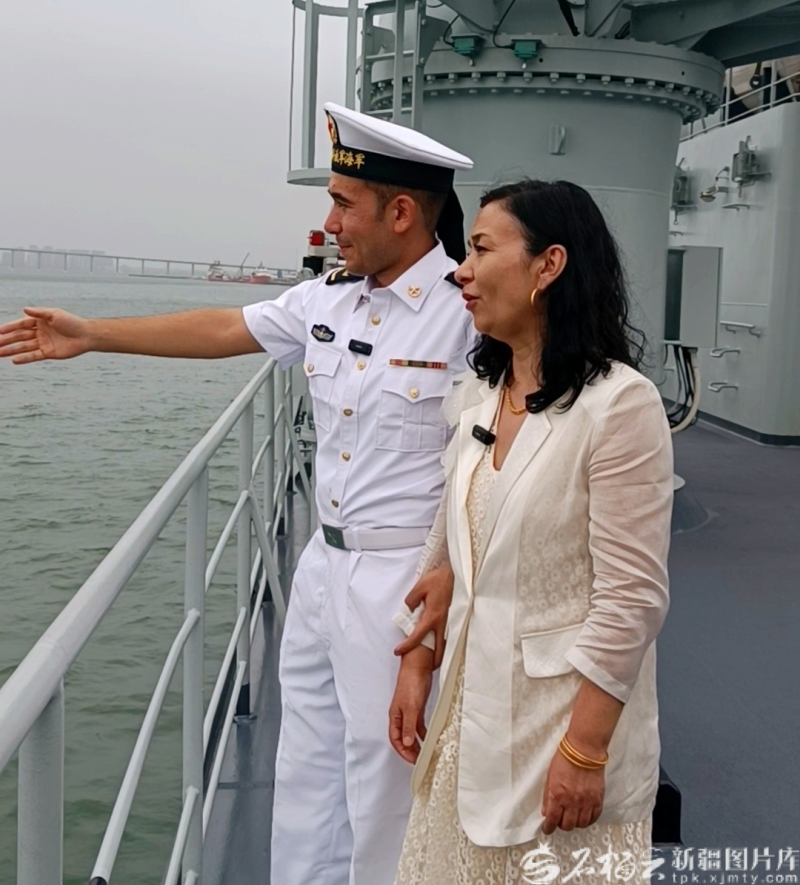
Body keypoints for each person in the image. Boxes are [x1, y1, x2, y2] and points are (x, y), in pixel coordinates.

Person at [0, 102, 477, 885]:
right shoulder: (330, 299)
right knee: (306, 772)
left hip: (404, 581)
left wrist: (455, 569)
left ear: (400, 212)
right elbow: (226, 327)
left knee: (388, 785)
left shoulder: (466, 315)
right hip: (323, 568)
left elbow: (499, 454)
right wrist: (94, 335)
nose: (328, 224)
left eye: (343, 204)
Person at [389, 179, 674, 883]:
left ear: (548, 265)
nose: (461, 270)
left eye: (481, 249)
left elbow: (632, 599)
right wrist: (417, 659)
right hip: (468, 726)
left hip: (559, 738)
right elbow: (450, 539)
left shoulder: (620, 406)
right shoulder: (483, 394)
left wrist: (584, 751)